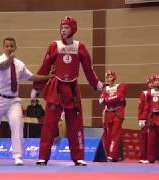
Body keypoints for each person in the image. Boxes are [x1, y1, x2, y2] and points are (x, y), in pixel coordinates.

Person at [30, 16, 104, 166]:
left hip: (72, 90)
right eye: (62, 27)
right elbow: (44, 67)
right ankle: (43, 156)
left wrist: (95, 83)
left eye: (67, 28)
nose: (63, 30)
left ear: (74, 29)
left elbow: (88, 68)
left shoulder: (80, 46)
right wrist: (36, 88)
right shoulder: (54, 46)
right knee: (50, 124)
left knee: (75, 125)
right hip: (55, 89)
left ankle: (78, 157)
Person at [0, 37, 51, 165]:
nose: (9, 48)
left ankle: (18, 156)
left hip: (13, 101)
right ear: (3, 47)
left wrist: (48, 76)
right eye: (7, 46)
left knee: (17, 125)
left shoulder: (20, 64)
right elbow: (3, 66)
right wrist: (10, 59)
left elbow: (31, 77)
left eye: (11, 46)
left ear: (15, 47)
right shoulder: (0, 60)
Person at [99, 70, 127, 162]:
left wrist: (107, 100)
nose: (109, 79)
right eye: (107, 77)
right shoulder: (105, 88)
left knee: (115, 134)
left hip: (117, 113)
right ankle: (108, 154)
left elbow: (119, 97)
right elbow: (101, 100)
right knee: (108, 134)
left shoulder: (120, 86)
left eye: (110, 76)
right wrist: (109, 99)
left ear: (114, 77)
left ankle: (112, 154)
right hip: (108, 113)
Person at [141, 74, 159, 163]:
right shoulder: (149, 93)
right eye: (155, 80)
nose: (157, 82)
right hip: (152, 117)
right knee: (151, 139)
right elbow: (146, 106)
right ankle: (150, 158)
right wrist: (143, 119)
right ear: (152, 82)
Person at [137, 76, 153, 164]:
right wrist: (140, 119)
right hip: (146, 117)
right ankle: (143, 156)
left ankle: (154, 157)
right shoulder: (145, 93)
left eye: (152, 82)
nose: (151, 84)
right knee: (144, 137)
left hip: (156, 118)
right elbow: (141, 107)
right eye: (149, 83)